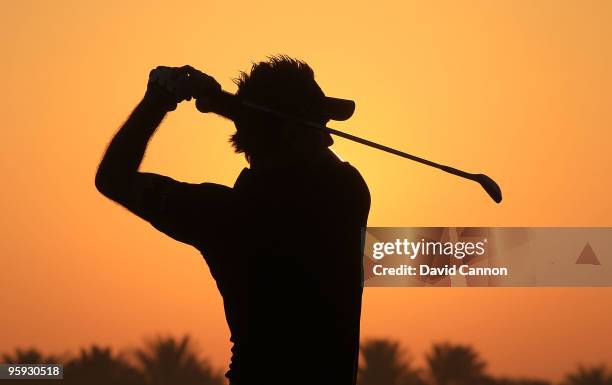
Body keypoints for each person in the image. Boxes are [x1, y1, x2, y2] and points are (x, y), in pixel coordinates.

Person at [95, 56, 370, 385]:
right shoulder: (345, 194)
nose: (329, 139)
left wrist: (158, 99)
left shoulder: (221, 214)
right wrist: (225, 104)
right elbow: (303, 157)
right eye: (319, 127)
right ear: (291, 135)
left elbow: (113, 178)